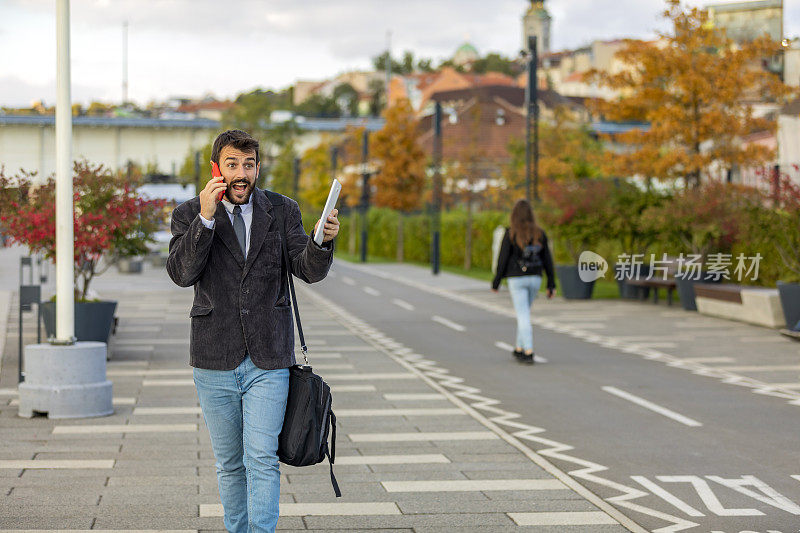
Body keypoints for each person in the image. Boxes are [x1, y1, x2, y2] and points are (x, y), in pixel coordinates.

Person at [166, 129, 339, 532]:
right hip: (213, 358)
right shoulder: (189, 214)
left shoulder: (281, 210)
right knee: (229, 463)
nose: (241, 174)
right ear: (217, 168)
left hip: (269, 357)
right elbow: (181, 273)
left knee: (260, 457)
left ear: (258, 168)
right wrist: (207, 219)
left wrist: (321, 242)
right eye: (232, 164)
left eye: (249, 165)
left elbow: (307, 270)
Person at [491, 199, 555, 364]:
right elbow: (547, 259)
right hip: (535, 277)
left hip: (516, 279)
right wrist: (551, 284)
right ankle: (519, 347)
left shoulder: (511, 234)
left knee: (523, 315)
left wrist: (496, 282)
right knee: (525, 312)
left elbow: (502, 259)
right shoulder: (539, 234)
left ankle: (528, 350)